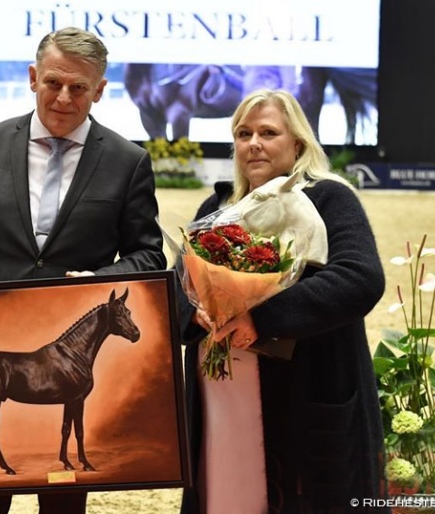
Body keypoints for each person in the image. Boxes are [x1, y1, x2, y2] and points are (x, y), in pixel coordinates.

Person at [0, 27, 166, 514]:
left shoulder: (128, 161)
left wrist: (100, 282)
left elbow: (147, 254)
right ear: (32, 78)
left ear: (101, 90)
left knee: (63, 502)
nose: (64, 97)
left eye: (79, 88)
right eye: (53, 82)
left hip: (67, 359)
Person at [176, 89, 388, 514]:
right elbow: (179, 291)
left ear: (298, 144)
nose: (253, 142)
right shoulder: (215, 207)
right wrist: (196, 313)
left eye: (268, 132)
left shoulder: (330, 199)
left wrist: (262, 316)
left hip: (305, 402)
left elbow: (360, 278)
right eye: (243, 133)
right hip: (221, 405)